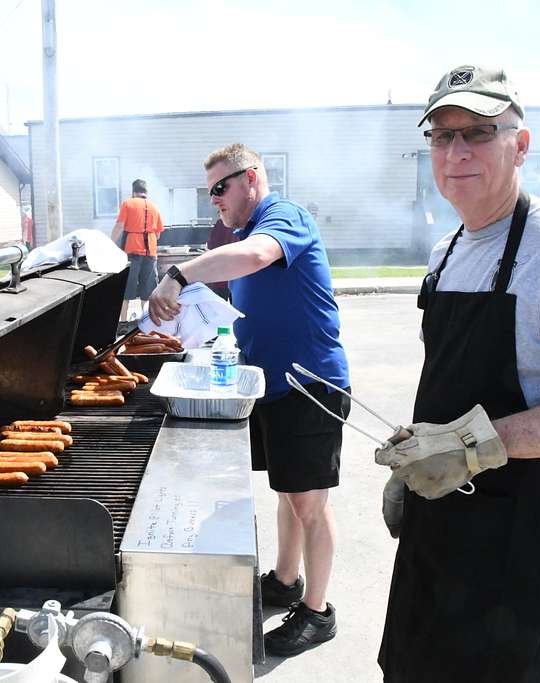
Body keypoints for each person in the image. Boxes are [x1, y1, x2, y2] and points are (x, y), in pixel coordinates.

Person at [374, 66, 540, 682]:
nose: (456, 152)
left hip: (516, 538)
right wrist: (419, 458)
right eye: (442, 137)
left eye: (479, 133)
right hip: (437, 518)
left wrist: (469, 446)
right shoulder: (447, 251)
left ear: (520, 143)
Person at [147, 143, 350, 658]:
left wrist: (178, 273)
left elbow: (259, 255)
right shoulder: (240, 233)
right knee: (288, 492)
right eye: (209, 190)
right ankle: (285, 582)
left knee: (310, 501)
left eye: (221, 187)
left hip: (311, 384)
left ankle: (318, 613)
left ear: (252, 178)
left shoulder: (282, 217)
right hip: (274, 384)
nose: (214, 199)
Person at [111, 179, 165, 322]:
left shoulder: (128, 203)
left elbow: (119, 227)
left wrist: (110, 244)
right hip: (150, 253)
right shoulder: (154, 206)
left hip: (132, 251)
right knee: (148, 288)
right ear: (146, 192)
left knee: (127, 286)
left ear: (133, 192)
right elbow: (158, 234)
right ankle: (146, 320)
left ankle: (123, 321)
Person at [204, 217, 238, 300]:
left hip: (221, 275)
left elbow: (212, 245)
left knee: (220, 306)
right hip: (237, 275)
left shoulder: (221, 222)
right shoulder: (244, 222)